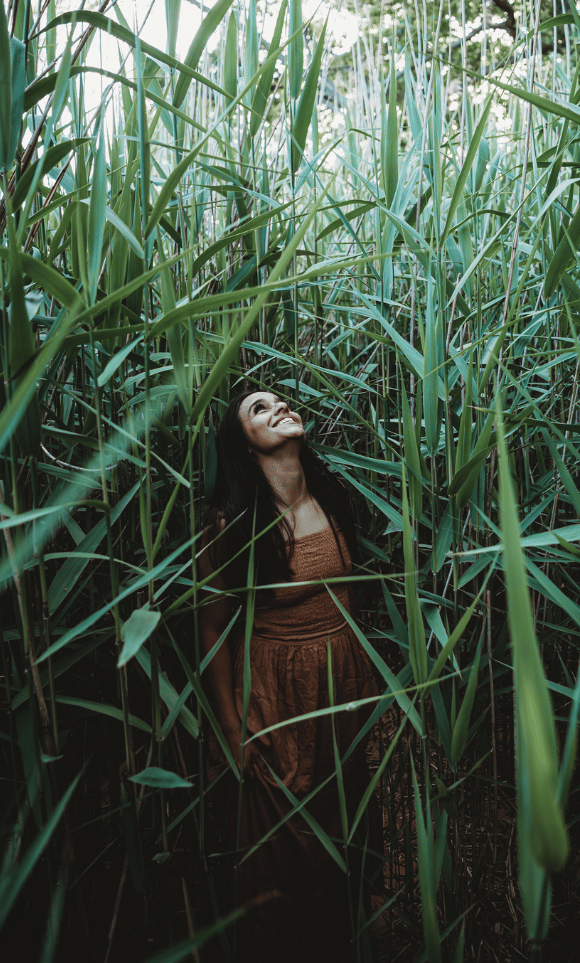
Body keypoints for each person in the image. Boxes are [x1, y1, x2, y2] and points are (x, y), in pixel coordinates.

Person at [198, 387, 380, 962]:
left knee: (341, 828)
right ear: (242, 444)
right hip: (277, 697)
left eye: (279, 400)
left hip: (342, 691)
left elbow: (349, 596)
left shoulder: (330, 496)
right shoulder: (232, 522)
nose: (276, 407)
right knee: (283, 843)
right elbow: (210, 630)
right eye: (258, 409)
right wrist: (231, 724)